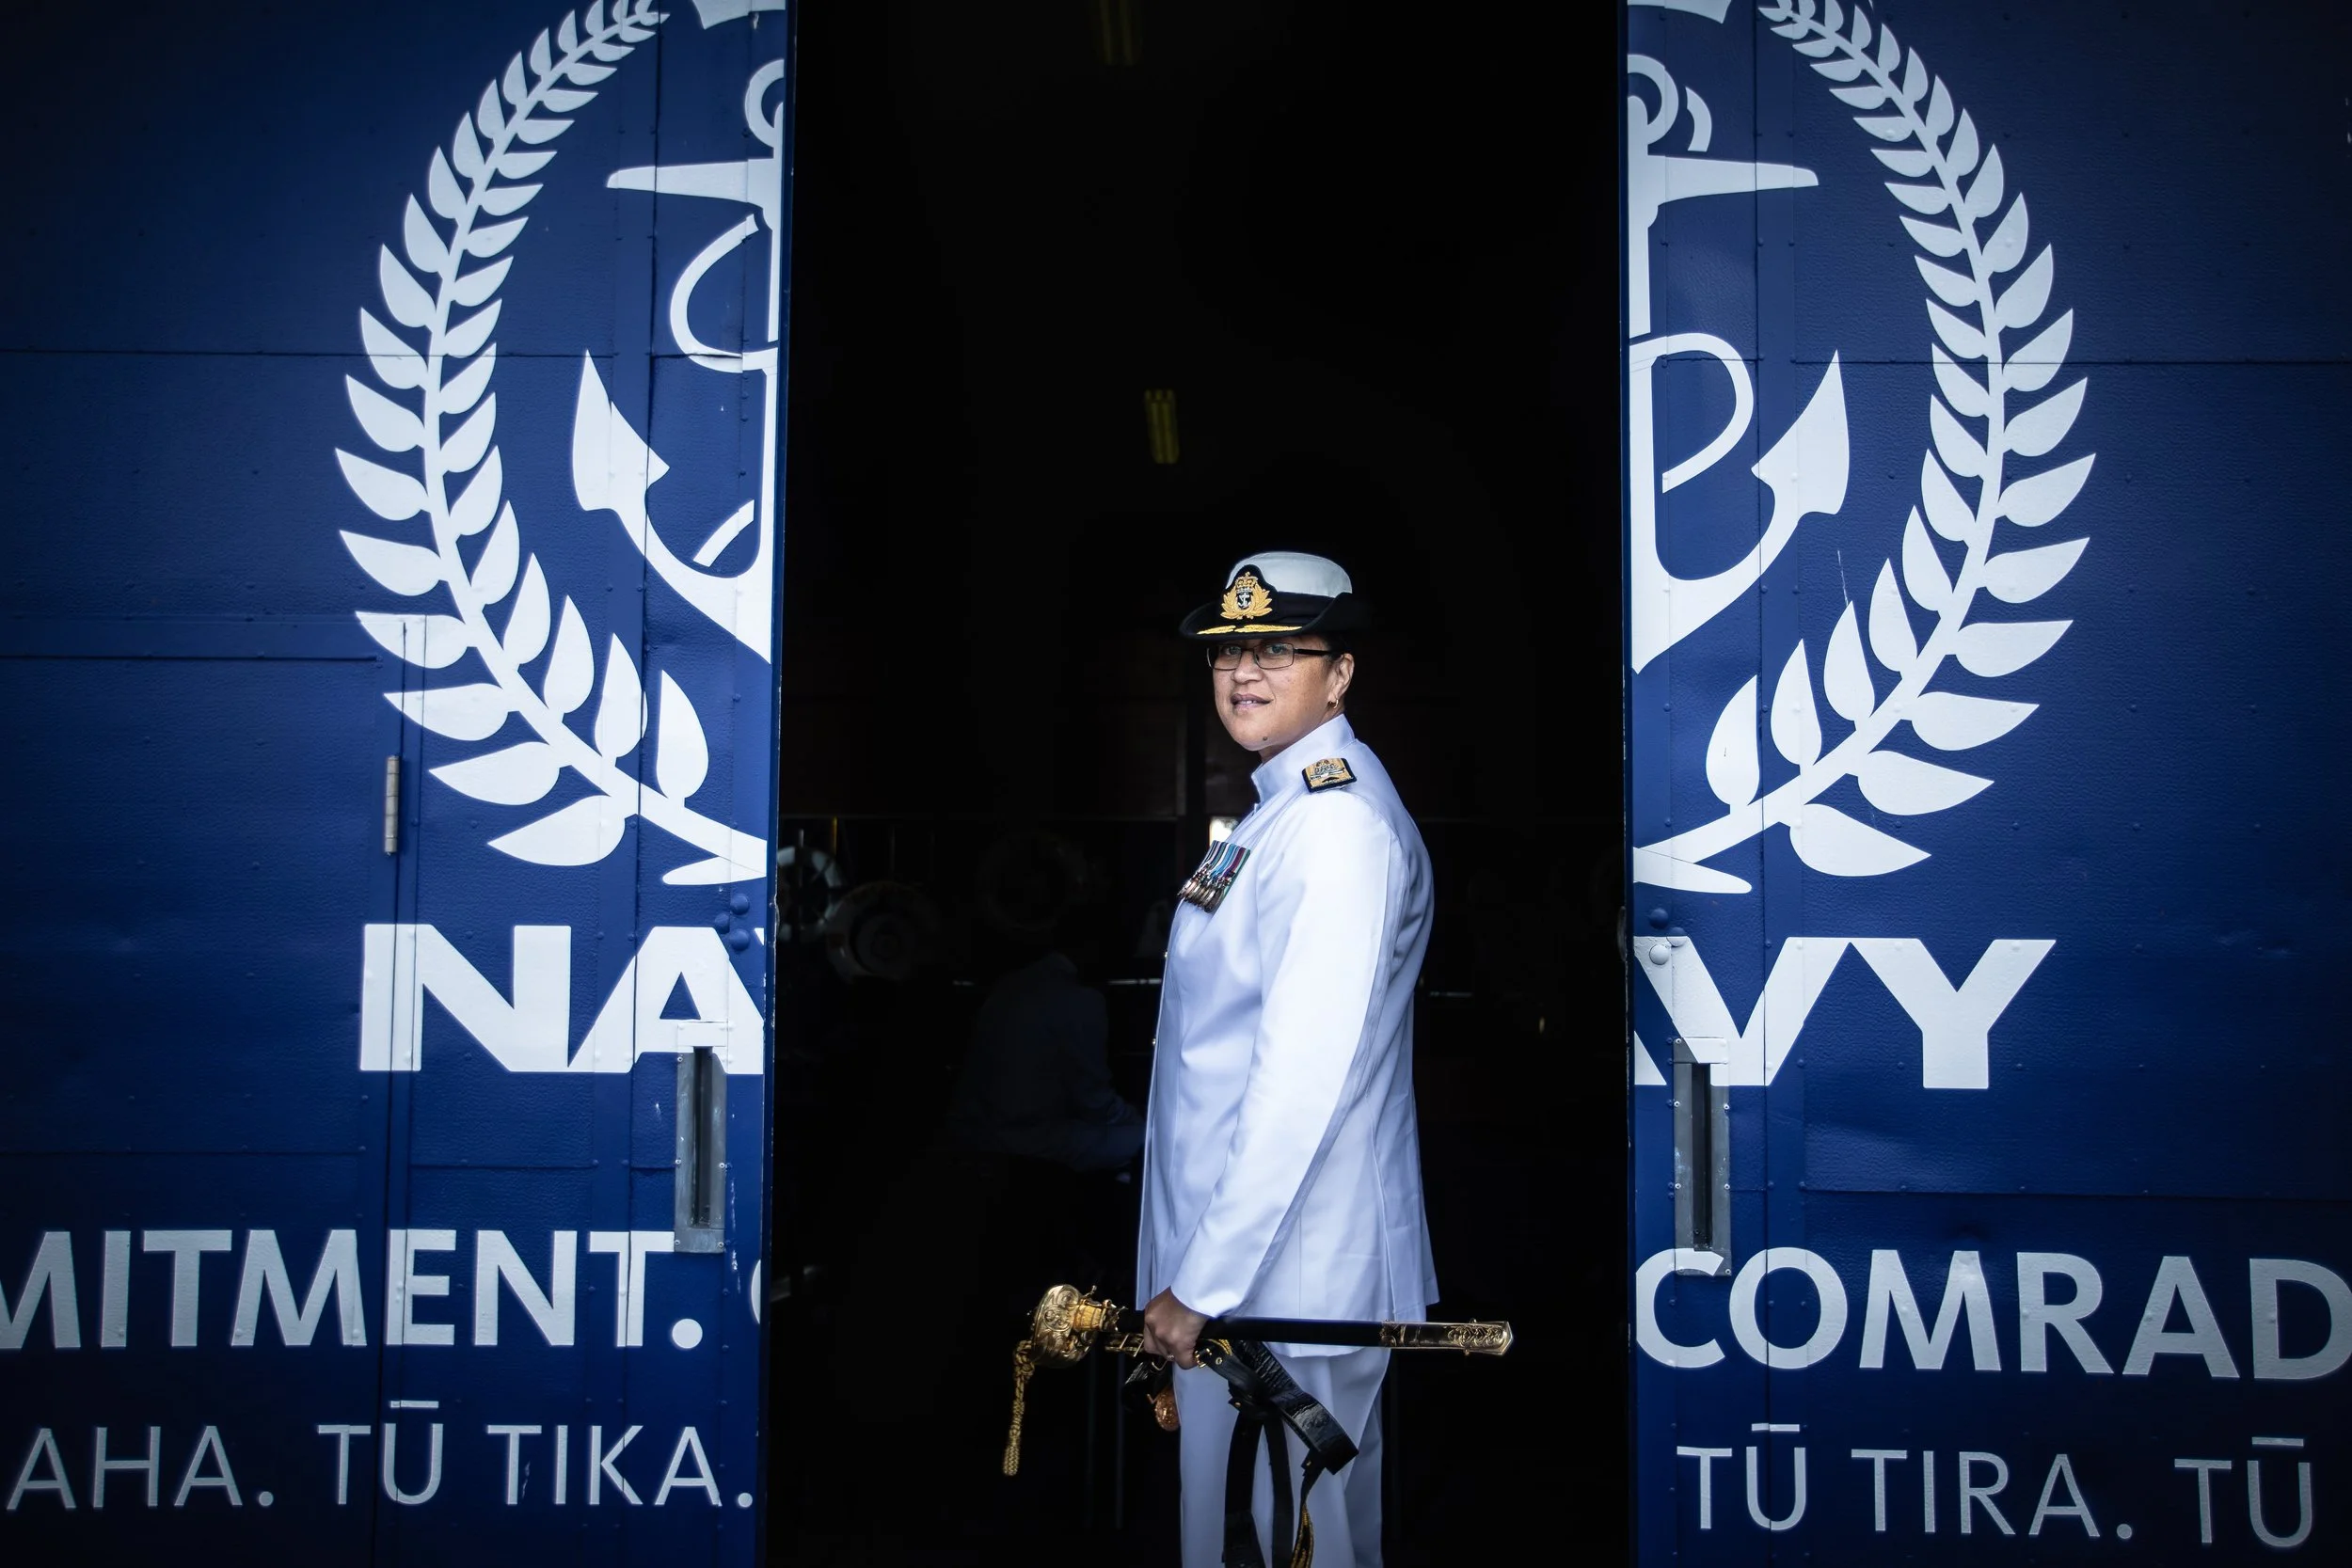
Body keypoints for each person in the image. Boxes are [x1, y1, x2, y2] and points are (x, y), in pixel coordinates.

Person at [1136, 551, 1437, 1568]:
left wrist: (1199, 1280)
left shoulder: (1337, 826)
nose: (1243, 670)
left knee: (1303, 1541)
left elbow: (1301, 1077)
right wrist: (1179, 1272)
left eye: (1277, 647)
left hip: (1294, 1265)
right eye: (1228, 649)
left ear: (1339, 673)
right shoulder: (1280, 815)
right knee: (1242, 1535)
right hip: (1239, 1266)